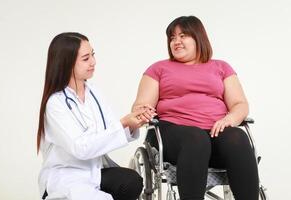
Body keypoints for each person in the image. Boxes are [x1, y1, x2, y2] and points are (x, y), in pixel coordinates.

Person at [132, 16, 259, 200]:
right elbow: (141, 104)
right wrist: (143, 110)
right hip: (172, 134)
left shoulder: (221, 67)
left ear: (198, 38)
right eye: (172, 37)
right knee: (196, 138)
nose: (176, 42)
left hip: (215, 132)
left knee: (237, 137)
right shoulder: (158, 69)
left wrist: (229, 120)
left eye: (182, 36)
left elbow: (240, 104)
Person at [37, 32, 155, 200]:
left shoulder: (93, 93)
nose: (93, 62)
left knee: (131, 181)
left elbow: (110, 129)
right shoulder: (55, 103)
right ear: (67, 63)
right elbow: (81, 148)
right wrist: (123, 123)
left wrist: (134, 122)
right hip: (67, 175)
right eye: (86, 58)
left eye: (92, 55)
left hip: (94, 172)